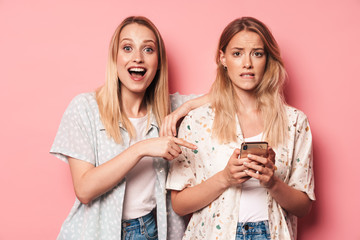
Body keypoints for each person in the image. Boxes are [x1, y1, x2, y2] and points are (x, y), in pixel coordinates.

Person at [50, 16, 207, 240]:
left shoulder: (170, 109)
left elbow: (226, 98)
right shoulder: (84, 108)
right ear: (115, 57)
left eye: (148, 50)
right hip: (96, 233)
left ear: (159, 61)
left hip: (152, 230)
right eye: (127, 48)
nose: (137, 58)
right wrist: (142, 148)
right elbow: (84, 190)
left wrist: (186, 108)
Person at [166, 17, 315, 240]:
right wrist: (225, 178)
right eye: (237, 53)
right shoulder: (198, 121)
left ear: (268, 59)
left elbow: (303, 207)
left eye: (257, 53)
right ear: (223, 58)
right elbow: (179, 204)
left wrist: (272, 182)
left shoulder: (294, 122)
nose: (247, 63)